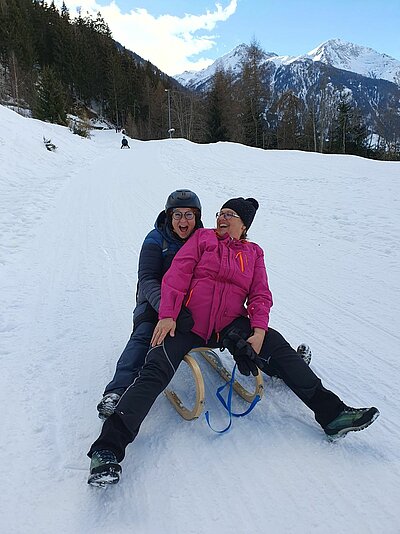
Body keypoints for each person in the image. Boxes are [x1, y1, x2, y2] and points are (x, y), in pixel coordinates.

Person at [87, 197, 379, 486]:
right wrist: (168, 315)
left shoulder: (254, 253)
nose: (222, 219)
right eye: (220, 213)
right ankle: (107, 449)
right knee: (155, 370)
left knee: (276, 346)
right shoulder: (202, 238)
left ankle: (333, 414)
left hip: (228, 324)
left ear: (244, 225)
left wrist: (259, 329)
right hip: (188, 322)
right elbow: (176, 276)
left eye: (229, 215)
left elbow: (261, 294)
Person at [96, 189, 203, 420]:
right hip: (153, 303)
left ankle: (275, 365)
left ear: (197, 217)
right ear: (169, 216)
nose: (183, 221)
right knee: (144, 335)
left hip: (187, 306)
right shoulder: (156, 239)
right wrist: (168, 309)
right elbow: (147, 279)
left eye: (189, 215)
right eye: (177, 215)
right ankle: (115, 392)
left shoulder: (203, 240)